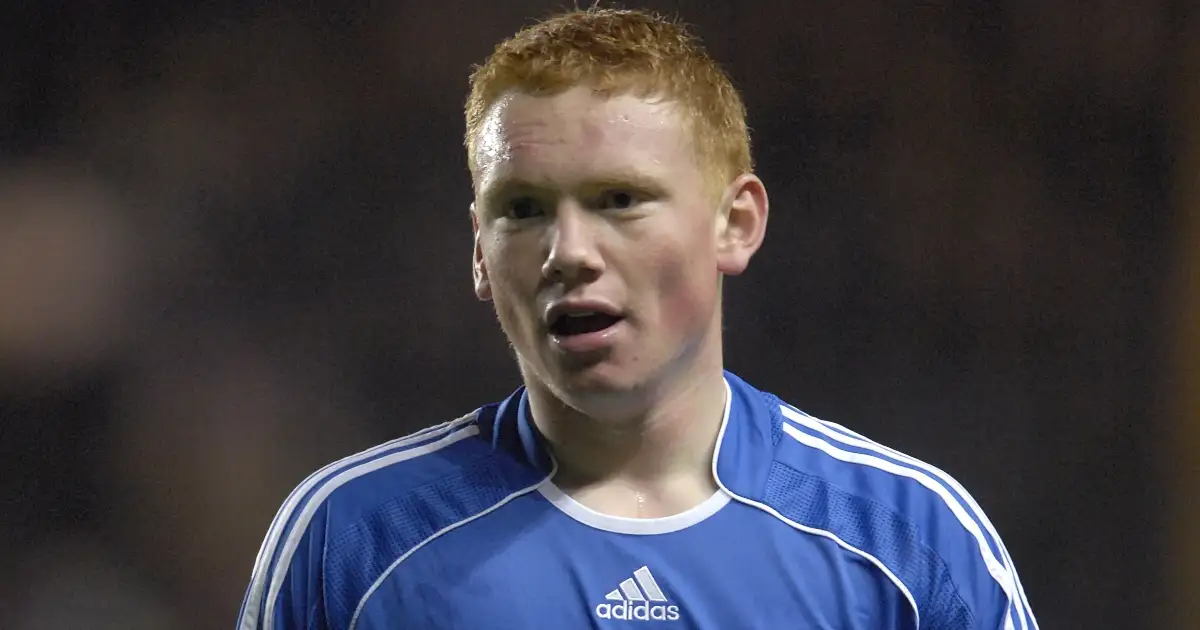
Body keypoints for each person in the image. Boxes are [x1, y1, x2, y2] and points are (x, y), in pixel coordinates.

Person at [237, 8, 1037, 629]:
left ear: (736, 223)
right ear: (480, 252)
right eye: (522, 209)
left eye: (619, 200)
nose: (569, 251)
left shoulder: (906, 539)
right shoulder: (352, 540)